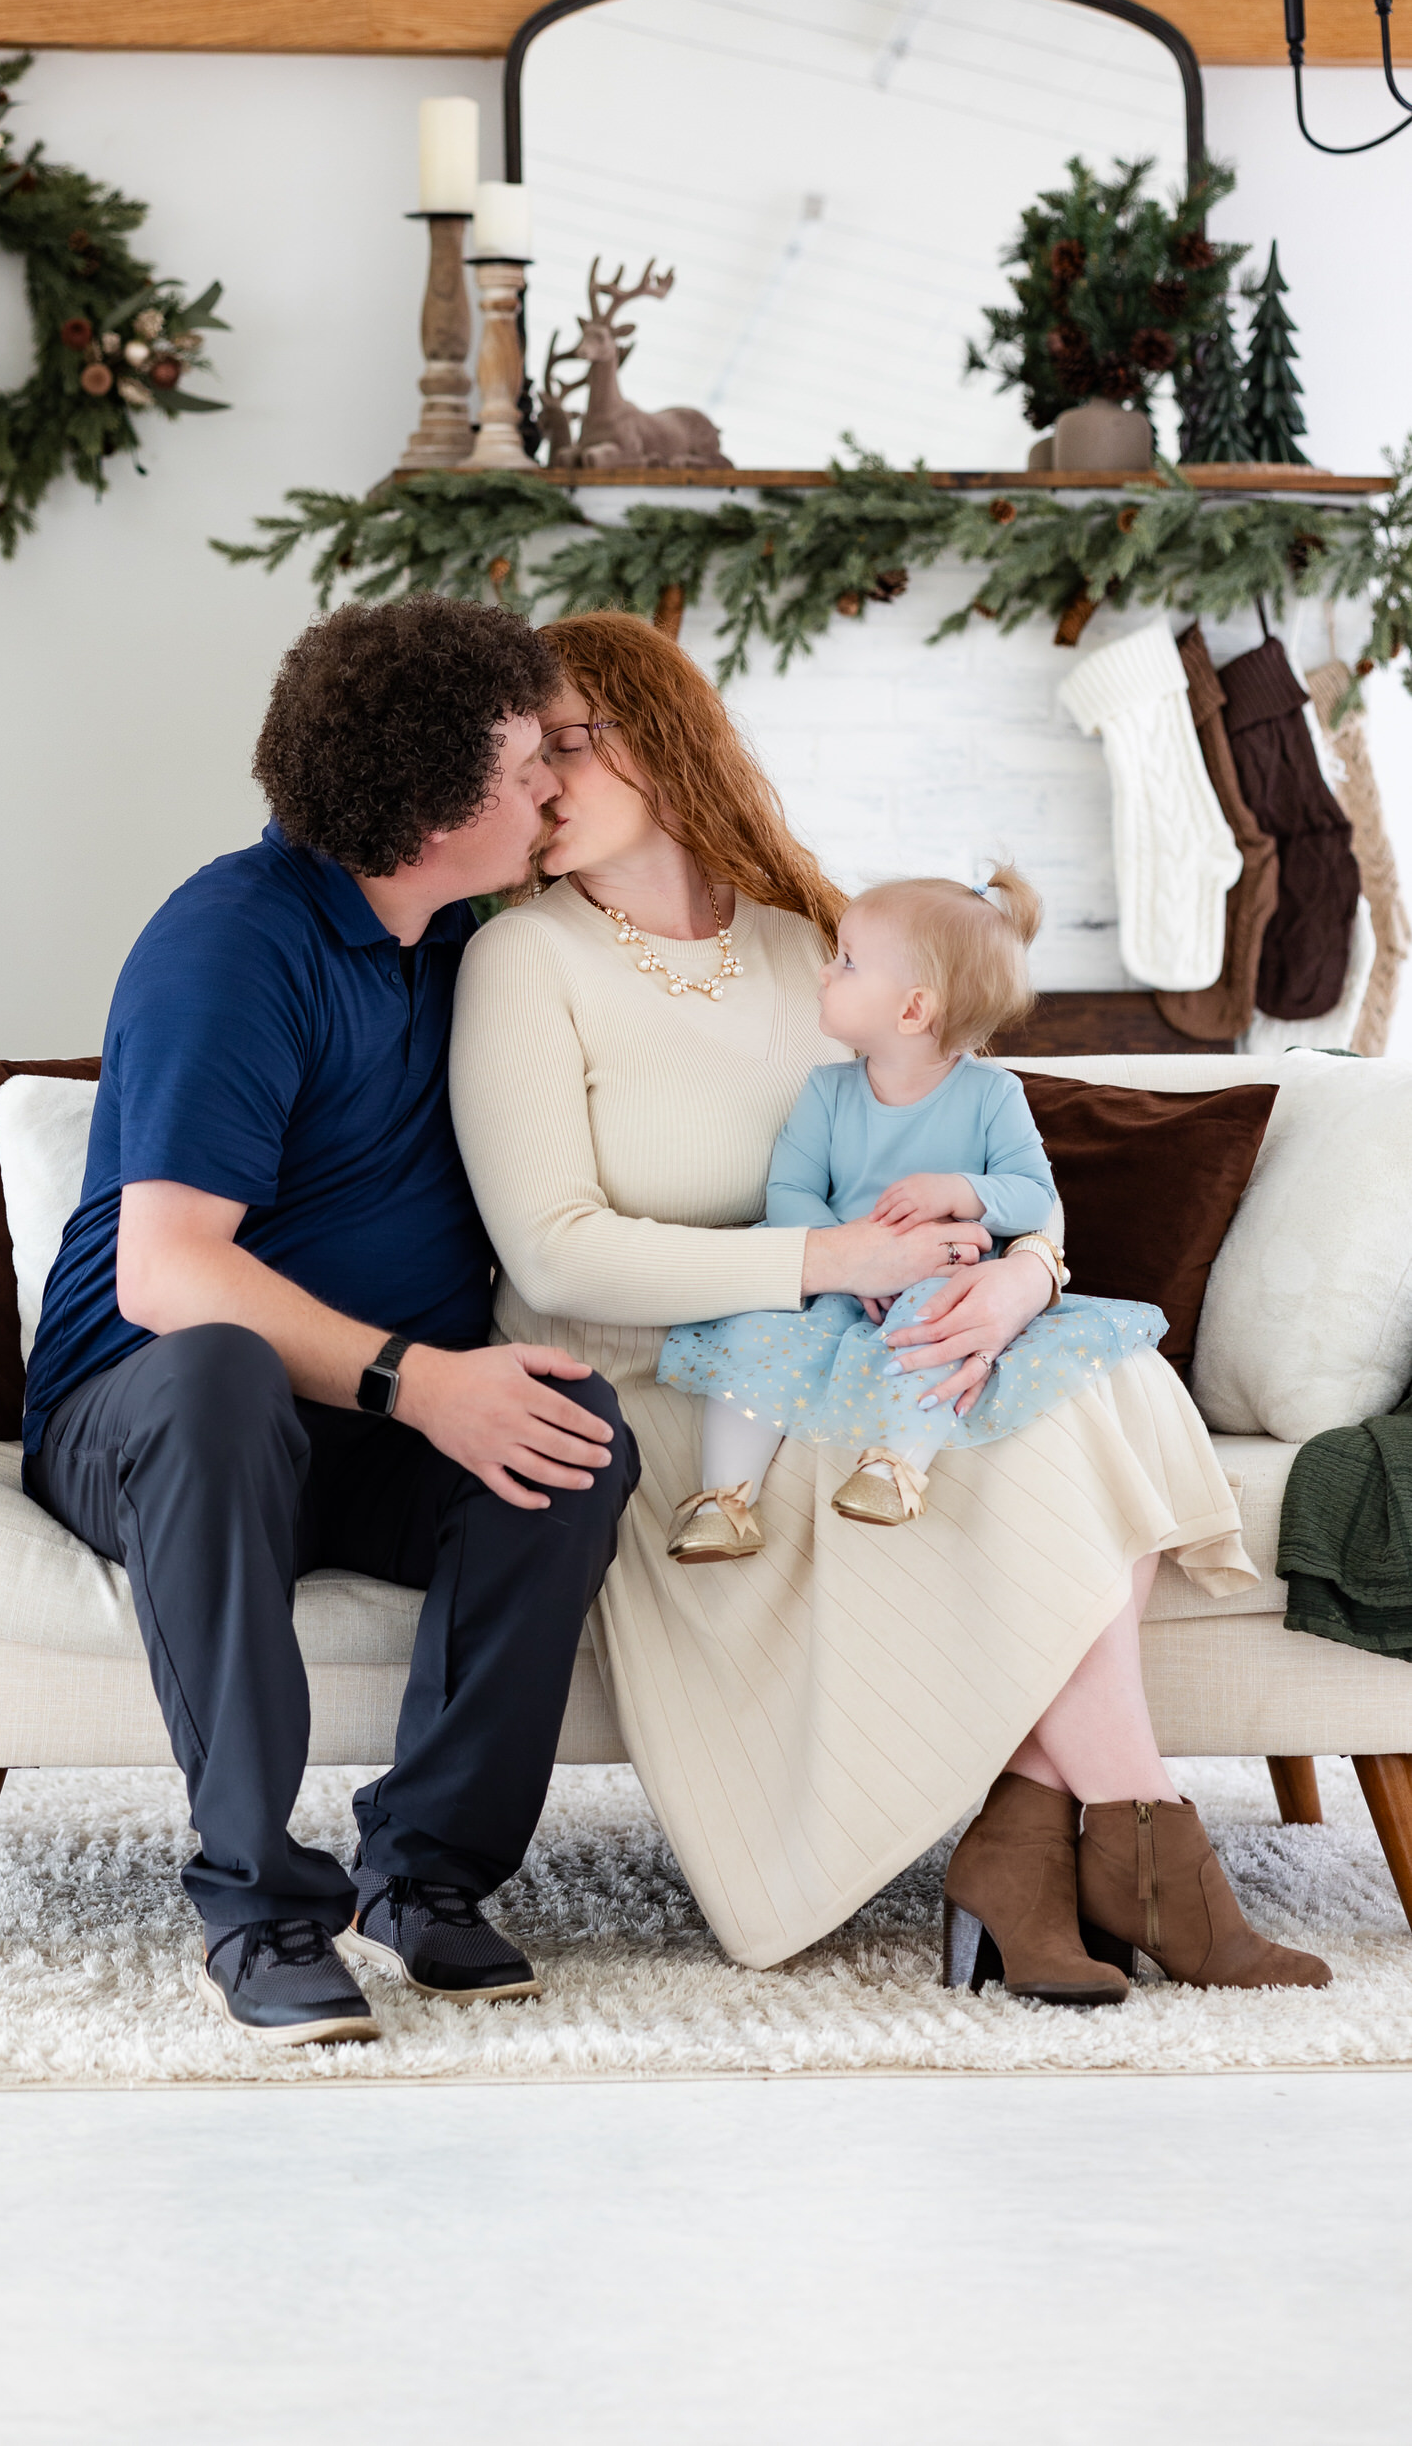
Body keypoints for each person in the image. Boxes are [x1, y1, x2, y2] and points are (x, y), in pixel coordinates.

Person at [450, 609, 1329, 2005]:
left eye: (564, 742)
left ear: (659, 741)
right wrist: (834, 1263)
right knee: (1023, 1435)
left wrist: (1020, 1277)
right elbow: (554, 1257)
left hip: (841, 1345)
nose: (532, 781)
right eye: (515, 756)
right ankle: (1147, 1846)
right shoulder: (520, 960)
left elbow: (981, 1144)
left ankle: (1032, 1855)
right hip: (674, 1397)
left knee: (1092, 1374)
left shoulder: (816, 942)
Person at [22, 595, 639, 2047]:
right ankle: (255, 1909)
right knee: (219, 1376)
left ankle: (421, 1876)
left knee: (570, 1434)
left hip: (353, 1433)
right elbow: (165, 1277)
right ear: (431, 812)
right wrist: (424, 1382)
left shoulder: (466, 940)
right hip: (152, 1420)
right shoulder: (232, 943)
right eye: (524, 770)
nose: (550, 792)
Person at [657, 864, 1165, 1554]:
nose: (824, 972)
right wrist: (851, 1255)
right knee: (753, 1333)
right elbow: (789, 1193)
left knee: (935, 1329)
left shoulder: (992, 1094)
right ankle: (723, 1500)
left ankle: (893, 1468)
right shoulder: (827, 1090)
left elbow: (1034, 1197)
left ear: (912, 1010)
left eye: (847, 961)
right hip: (832, 1279)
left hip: (936, 1280)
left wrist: (960, 1191)